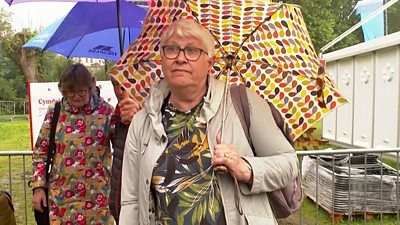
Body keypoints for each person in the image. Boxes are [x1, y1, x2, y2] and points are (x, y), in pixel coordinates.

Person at [119, 19, 299, 225]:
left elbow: (288, 163)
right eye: (171, 49)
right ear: (162, 58)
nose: (180, 58)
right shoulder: (142, 122)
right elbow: (131, 200)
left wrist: (246, 168)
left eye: (192, 50)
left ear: (210, 62)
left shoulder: (244, 102)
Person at [32, 63, 114, 224]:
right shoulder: (54, 112)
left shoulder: (106, 112)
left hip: (98, 199)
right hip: (62, 199)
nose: (76, 96)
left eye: (81, 91)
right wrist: (38, 187)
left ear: (90, 87)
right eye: (70, 92)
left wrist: (127, 120)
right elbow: (41, 152)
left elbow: (123, 146)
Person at [109, 78, 140, 224]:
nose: (119, 90)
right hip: (119, 202)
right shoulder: (115, 114)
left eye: (126, 82)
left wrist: (140, 120)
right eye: (115, 84)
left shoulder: (158, 110)